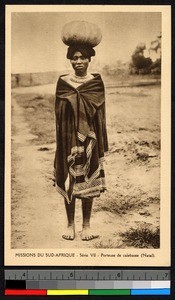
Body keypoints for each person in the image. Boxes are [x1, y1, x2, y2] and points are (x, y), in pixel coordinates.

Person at [54, 43, 108, 241]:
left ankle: (86, 225)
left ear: (89, 59)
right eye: (74, 58)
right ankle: (70, 225)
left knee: (88, 179)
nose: (78, 62)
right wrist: (64, 140)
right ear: (70, 59)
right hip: (69, 138)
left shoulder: (96, 83)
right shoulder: (63, 83)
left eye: (82, 57)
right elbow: (58, 115)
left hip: (90, 138)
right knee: (70, 179)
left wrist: (102, 142)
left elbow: (101, 116)